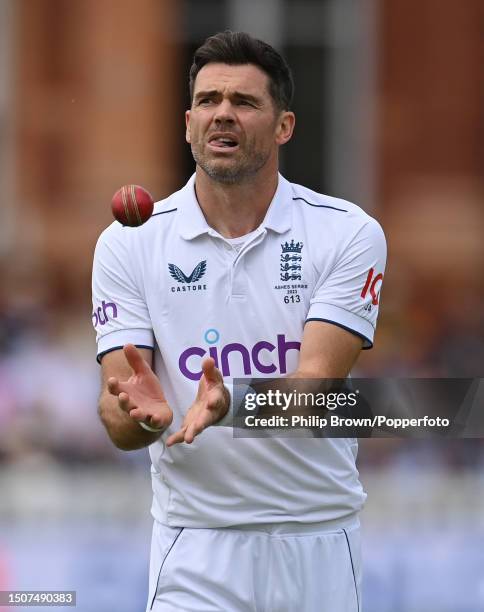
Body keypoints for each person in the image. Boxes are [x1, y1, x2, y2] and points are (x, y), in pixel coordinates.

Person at [92, 31, 386, 612]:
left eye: (244, 103)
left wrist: (234, 404)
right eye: (208, 100)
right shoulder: (129, 243)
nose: (222, 114)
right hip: (194, 545)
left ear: (285, 126)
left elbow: (318, 389)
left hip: (318, 537)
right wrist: (140, 416)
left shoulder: (347, 232)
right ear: (187, 122)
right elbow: (118, 414)